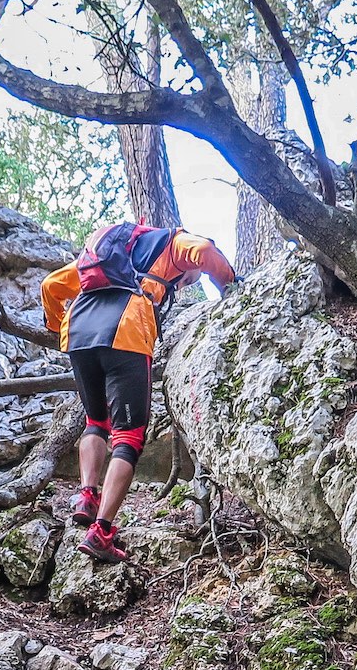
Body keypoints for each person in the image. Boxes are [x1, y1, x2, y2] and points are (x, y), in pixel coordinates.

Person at [41, 221, 236, 563]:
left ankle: (87, 495)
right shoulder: (172, 244)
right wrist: (230, 286)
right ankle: (101, 532)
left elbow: (50, 286)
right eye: (188, 278)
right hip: (126, 328)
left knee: (95, 420)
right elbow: (205, 252)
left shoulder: (104, 257)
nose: (186, 281)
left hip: (80, 332)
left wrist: (58, 328)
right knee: (128, 437)